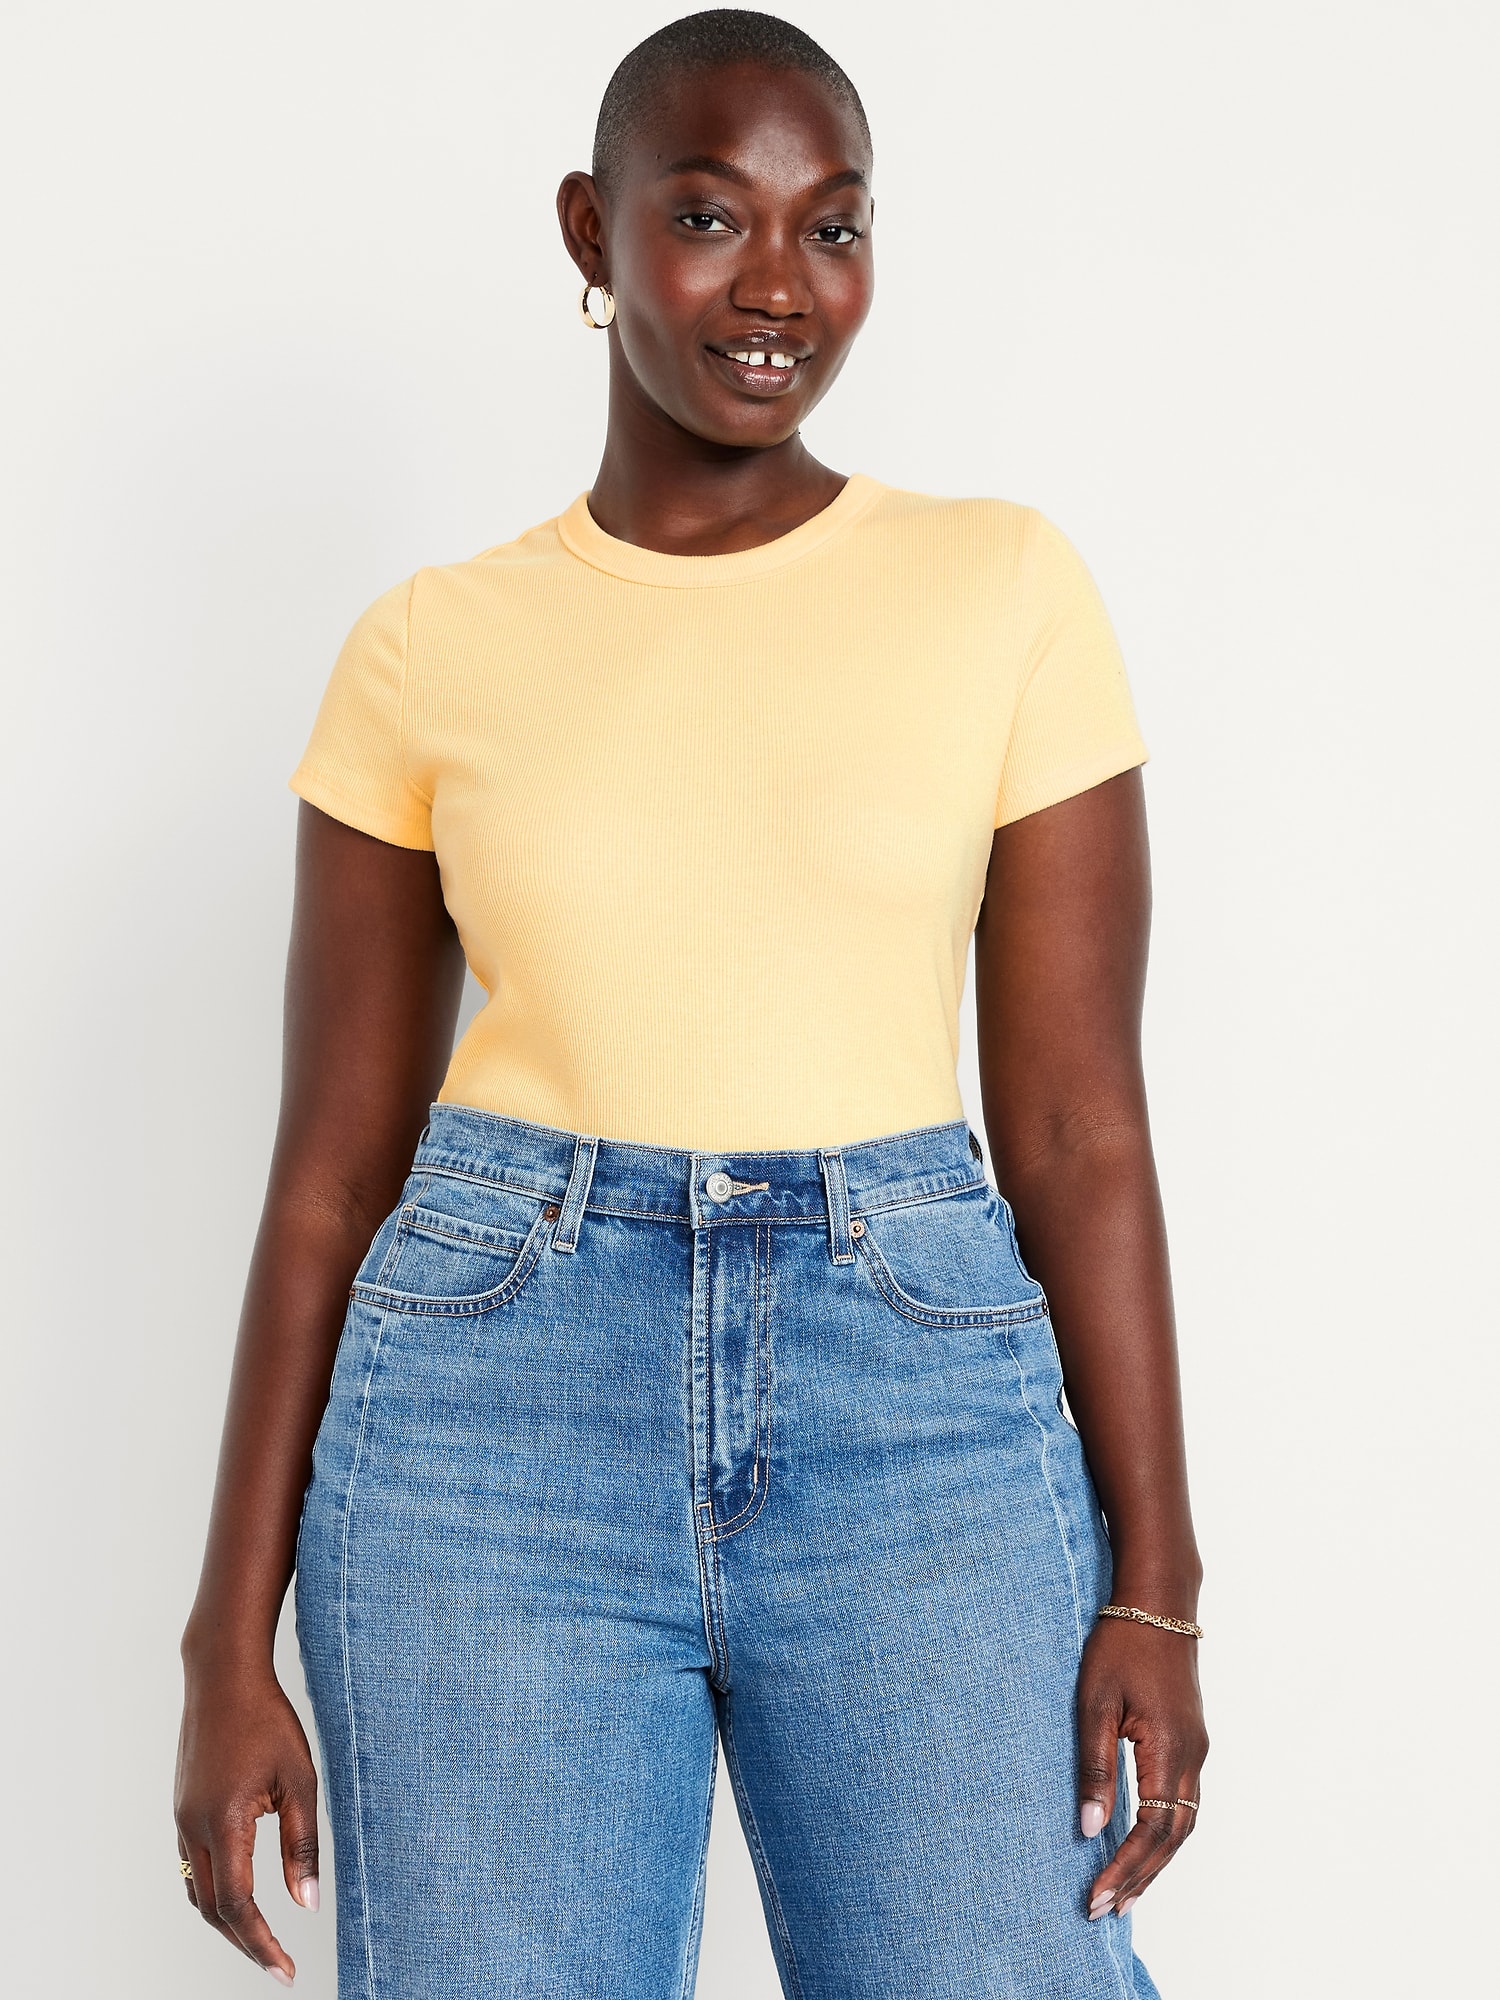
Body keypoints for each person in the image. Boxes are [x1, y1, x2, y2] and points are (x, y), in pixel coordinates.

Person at [174, 11, 1207, 1996]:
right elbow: (330, 1178)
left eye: (836, 228)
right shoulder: (429, 646)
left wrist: (1156, 1584)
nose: (779, 288)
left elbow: (1083, 1128)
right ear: (594, 229)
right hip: (491, 1420)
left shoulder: (1002, 590)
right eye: (713, 217)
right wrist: (226, 1640)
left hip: (918, 1404)